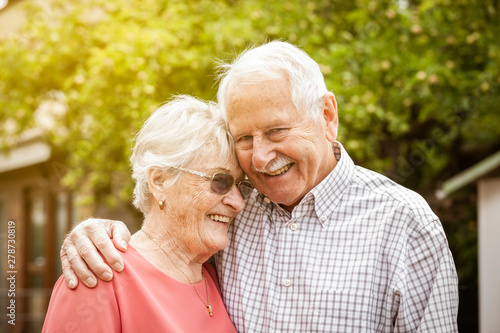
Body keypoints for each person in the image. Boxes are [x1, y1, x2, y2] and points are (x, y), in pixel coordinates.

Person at [59, 41, 459, 332]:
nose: (262, 157)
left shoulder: (405, 223)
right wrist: (95, 232)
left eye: (276, 130)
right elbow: (165, 240)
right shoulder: (234, 212)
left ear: (326, 114)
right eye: (245, 139)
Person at [43, 95, 252, 332]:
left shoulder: (218, 276)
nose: (238, 202)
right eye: (220, 181)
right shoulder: (98, 276)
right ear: (160, 181)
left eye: (240, 185)